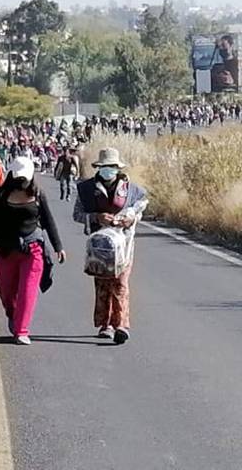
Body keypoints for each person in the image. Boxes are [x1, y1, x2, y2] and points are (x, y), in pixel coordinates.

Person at [0, 157, 65, 345]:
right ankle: (13, 314)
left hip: (32, 249)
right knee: (7, 291)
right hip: (5, 250)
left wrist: (58, 247)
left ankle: (21, 330)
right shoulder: (0, 195)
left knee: (28, 290)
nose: (21, 182)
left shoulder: (38, 194)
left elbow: (49, 222)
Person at [73, 148, 148, 345]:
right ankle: (105, 325)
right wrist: (96, 217)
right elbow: (77, 214)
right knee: (102, 284)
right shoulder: (86, 189)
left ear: (117, 168)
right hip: (99, 246)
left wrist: (129, 219)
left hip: (124, 244)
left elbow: (139, 211)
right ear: (99, 168)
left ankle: (121, 324)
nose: (109, 171)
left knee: (121, 283)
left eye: (112, 167)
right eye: (106, 167)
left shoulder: (131, 190)